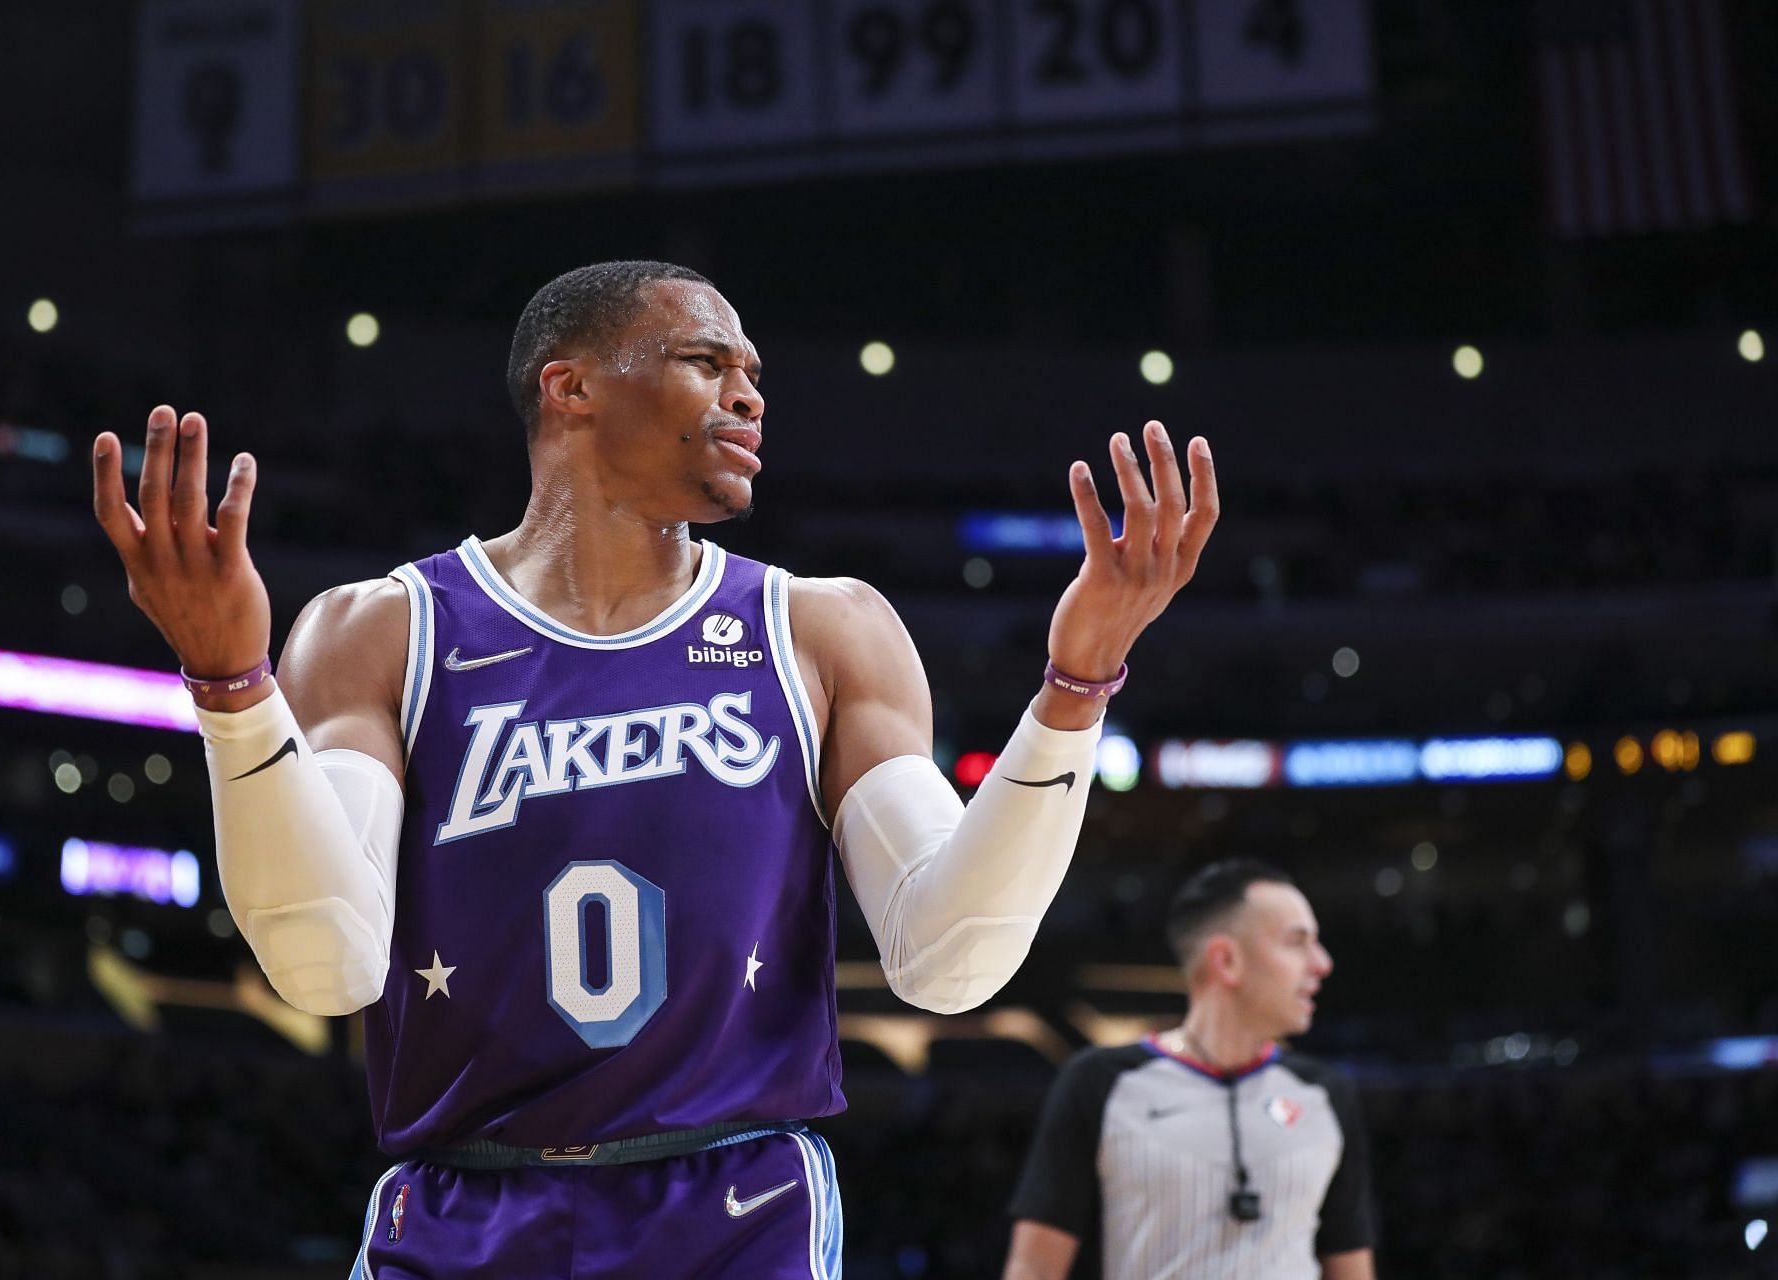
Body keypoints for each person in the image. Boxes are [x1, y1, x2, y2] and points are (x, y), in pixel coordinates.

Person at [90, 260, 1219, 1279]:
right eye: (705, 360)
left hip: (736, 1207)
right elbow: (324, 961)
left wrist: (1078, 686)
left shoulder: (821, 628)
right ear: (569, 387)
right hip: (459, 1206)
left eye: (754, 372)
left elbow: (948, 957)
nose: (749, 394)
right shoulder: (383, 630)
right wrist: (232, 686)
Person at [1003, 859, 1376, 1279]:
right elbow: (1033, 1271)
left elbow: (1351, 1270)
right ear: (1226, 960)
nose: (1322, 964)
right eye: (1297, 942)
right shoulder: (1101, 1083)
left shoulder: (1324, 1093)